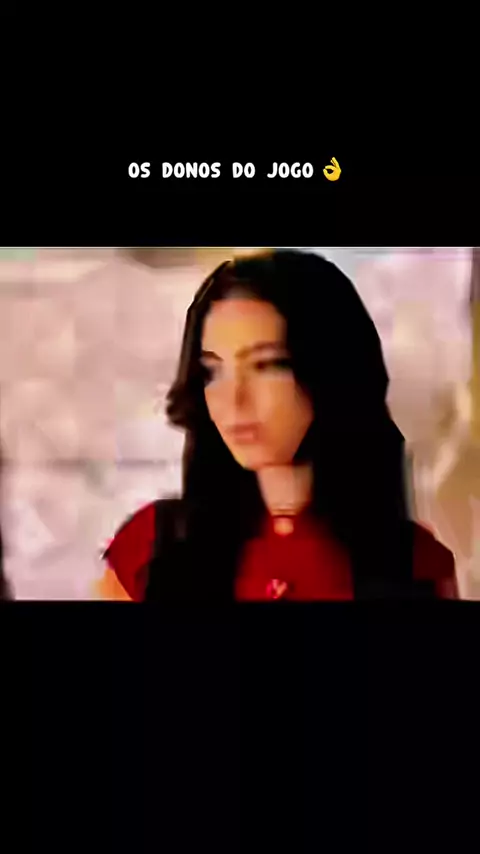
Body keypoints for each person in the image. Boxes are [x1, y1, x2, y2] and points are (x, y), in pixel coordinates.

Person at [98, 250, 458, 601]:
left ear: (329, 369)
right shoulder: (152, 549)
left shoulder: (415, 563)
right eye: (212, 372)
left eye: (266, 365)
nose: (234, 399)